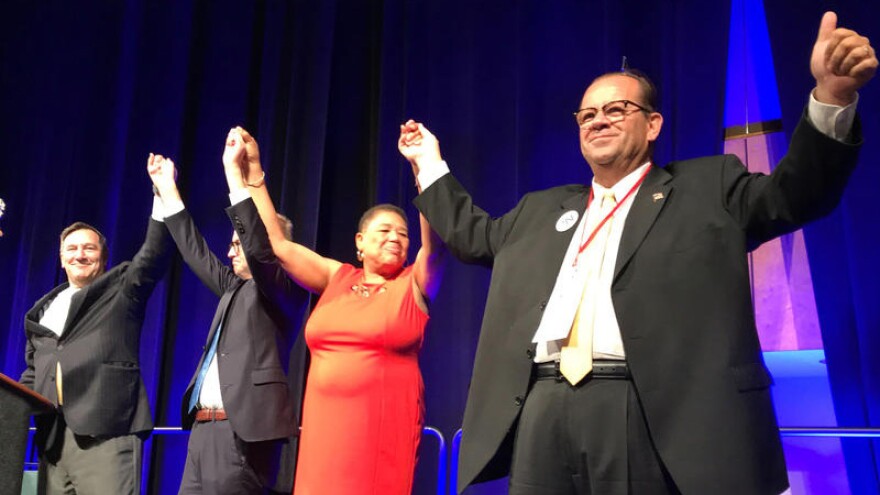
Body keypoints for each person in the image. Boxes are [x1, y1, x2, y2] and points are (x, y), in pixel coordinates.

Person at [398, 11, 877, 495]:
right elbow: (471, 235)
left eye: (616, 109)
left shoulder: (709, 187)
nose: (598, 120)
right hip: (542, 405)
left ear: (652, 125)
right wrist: (428, 162)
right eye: (587, 115)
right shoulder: (541, 211)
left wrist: (832, 98)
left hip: (644, 406)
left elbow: (798, 194)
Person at [221, 126, 445, 495]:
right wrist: (254, 174)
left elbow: (435, 245)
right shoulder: (335, 276)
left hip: (383, 428)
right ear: (359, 242)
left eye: (403, 234)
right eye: (385, 231)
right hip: (325, 431)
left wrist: (423, 171)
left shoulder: (414, 283)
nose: (395, 238)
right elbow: (276, 243)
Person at [147, 150, 307, 494]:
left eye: (239, 242)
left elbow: (261, 251)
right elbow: (195, 250)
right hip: (204, 431)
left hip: (242, 433)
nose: (231, 250)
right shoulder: (234, 288)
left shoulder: (284, 289)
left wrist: (235, 177)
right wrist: (167, 190)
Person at [19, 177, 174, 494]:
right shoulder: (41, 310)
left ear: (103, 257)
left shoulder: (120, 289)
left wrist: (162, 197)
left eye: (89, 248)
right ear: (61, 259)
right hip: (52, 440)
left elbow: (153, 257)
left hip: (107, 433)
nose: (80, 254)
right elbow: (33, 371)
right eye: (71, 249)